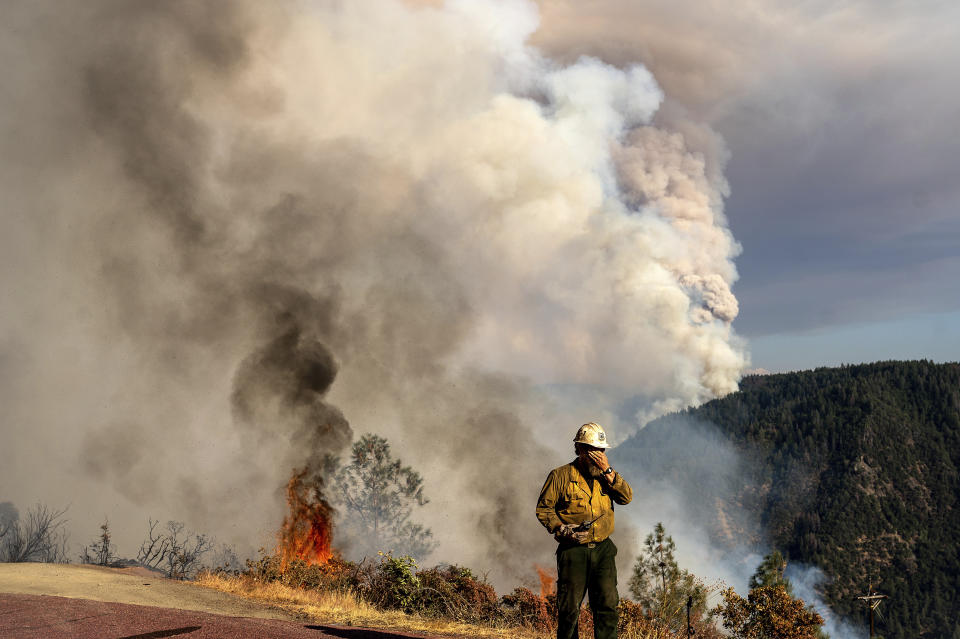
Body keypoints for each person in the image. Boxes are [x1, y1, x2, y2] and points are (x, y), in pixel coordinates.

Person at [536, 422, 633, 639]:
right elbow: (544, 509)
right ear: (579, 449)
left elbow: (626, 497)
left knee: (607, 605)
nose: (597, 456)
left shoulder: (606, 477)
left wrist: (608, 472)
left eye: (601, 451)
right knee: (569, 608)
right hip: (573, 551)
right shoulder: (560, 476)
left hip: (603, 550)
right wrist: (560, 528)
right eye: (592, 450)